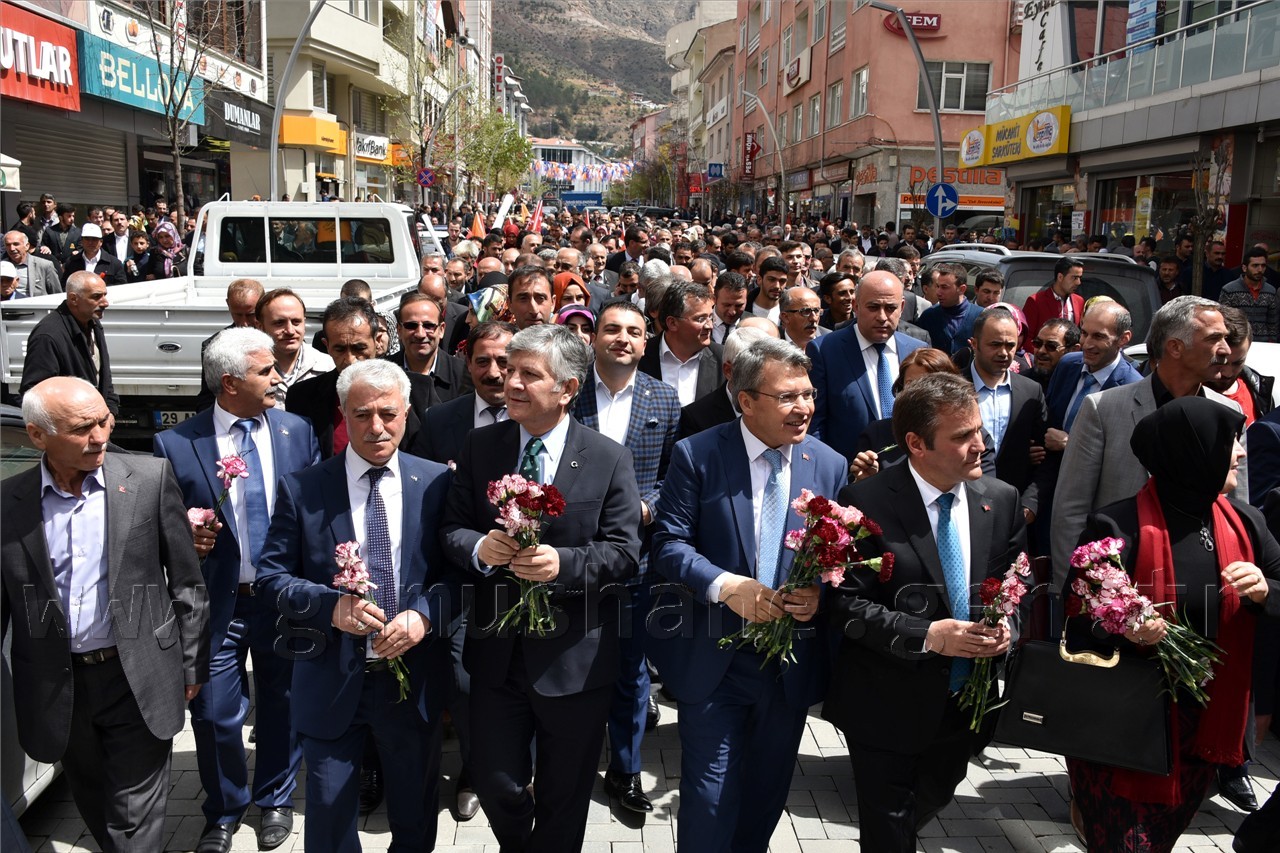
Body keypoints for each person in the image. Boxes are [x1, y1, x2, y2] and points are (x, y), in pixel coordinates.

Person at [440, 324, 642, 852]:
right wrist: (478, 550)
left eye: (530, 374)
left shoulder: (608, 458)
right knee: (497, 781)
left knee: (566, 792)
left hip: (575, 661)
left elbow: (625, 553)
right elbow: (451, 528)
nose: (511, 382)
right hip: (495, 654)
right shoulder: (482, 445)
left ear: (568, 389)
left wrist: (564, 563)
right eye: (510, 370)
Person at [650, 337, 849, 852]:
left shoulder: (828, 464)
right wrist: (726, 585)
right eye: (787, 396)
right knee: (711, 796)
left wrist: (819, 596)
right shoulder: (697, 454)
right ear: (746, 400)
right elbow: (668, 545)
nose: (803, 406)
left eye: (807, 394)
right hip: (714, 660)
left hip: (787, 669)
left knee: (765, 794)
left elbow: (840, 560)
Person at [256, 359, 457, 853]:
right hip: (330, 679)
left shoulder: (437, 483)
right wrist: (329, 606)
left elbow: (458, 577)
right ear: (342, 413)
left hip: (411, 683)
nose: (376, 427)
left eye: (388, 413)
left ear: (407, 413)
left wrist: (425, 616)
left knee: (413, 818)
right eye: (361, 414)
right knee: (327, 818)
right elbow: (270, 578)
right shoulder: (303, 488)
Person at [1, 377, 210, 852]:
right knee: (96, 807)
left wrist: (192, 663)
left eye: (103, 421)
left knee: (133, 826)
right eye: (81, 428)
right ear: (38, 435)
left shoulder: (148, 480)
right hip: (59, 688)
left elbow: (187, 583)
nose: (100, 435)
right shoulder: (7, 505)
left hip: (138, 676)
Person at [1064, 397, 1280, 853]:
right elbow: (1077, 616)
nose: (1239, 453)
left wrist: (1264, 590)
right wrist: (1123, 626)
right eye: (1229, 443)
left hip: (1202, 732)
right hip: (1122, 727)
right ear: (1192, 452)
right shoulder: (1116, 523)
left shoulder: (1247, 522)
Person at [824, 373, 1026, 853]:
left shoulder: (1000, 500)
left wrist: (1008, 630)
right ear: (915, 443)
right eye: (961, 436)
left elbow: (1019, 587)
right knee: (888, 827)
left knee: (927, 801)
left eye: (978, 430)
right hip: (885, 703)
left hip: (964, 707)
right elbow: (843, 603)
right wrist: (928, 634)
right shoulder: (864, 503)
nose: (980, 445)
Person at [154, 329, 321, 853]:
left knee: (283, 704)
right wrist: (186, 534)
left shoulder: (297, 432)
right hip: (215, 603)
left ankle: (274, 798)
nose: (278, 378)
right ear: (229, 383)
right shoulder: (176, 444)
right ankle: (223, 810)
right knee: (214, 713)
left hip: (282, 601)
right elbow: (158, 525)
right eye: (266, 371)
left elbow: (314, 516)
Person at [1051, 296, 1248, 589]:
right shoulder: (1103, 409)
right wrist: (1078, 592)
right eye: (1214, 338)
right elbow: (1071, 510)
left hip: (1205, 591)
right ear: (1175, 347)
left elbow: (1238, 511)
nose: (1225, 350)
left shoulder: (1230, 414)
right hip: (1118, 594)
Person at [571, 300, 681, 816]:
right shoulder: (570, 396)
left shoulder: (664, 398)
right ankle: (565, 764)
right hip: (571, 556)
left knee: (631, 669)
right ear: (594, 338)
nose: (623, 339)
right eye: (612, 329)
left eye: (634, 332)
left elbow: (670, 479)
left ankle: (625, 769)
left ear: (646, 341)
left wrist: (647, 505)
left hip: (634, 561)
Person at [808, 270, 928, 466]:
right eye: (873, 307)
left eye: (890, 308)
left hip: (909, 475)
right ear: (855, 305)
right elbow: (815, 424)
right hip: (848, 476)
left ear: (902, 307)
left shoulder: (917, 350)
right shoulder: (825, 350)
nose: (882, 317)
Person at [850, 347, 997, 481]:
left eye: (933, 385)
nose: (922, 393)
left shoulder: (978, 440)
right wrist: (867, 482)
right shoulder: (877, 433)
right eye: (912, 385)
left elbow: (985, 492)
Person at [20, 271, 119, 415]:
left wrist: (109, 414)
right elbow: (34, 395)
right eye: (96, 297)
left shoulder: (94, 324)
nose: (105, 303)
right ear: (73, 299)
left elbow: (104, 378)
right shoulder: (48, 336)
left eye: (105, 295)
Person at [639, 278, 724, 406]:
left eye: (711, 318)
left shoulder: (722, 359)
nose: (710, 326)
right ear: (672, 323)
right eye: (700, 319)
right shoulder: (641, 356)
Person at [916, 263, 981, 353]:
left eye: (944, 287)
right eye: (938, 286)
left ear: (962, 289)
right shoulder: (928, 316)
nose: (938, 292)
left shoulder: (980, 317)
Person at [1022, 257, 1085, 346]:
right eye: (1074, 278)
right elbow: (1026, 338)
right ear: (1060, 277)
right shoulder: (1036, 301)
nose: (1078, 282)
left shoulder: (1079, 301)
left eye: (1079, 278)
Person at [4, 229, 61, 297]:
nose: (12, 248)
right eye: (8, 245)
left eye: (16, 244)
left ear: (27, 246)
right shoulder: (3, 266)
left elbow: (57, 295)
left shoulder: (44, 265)